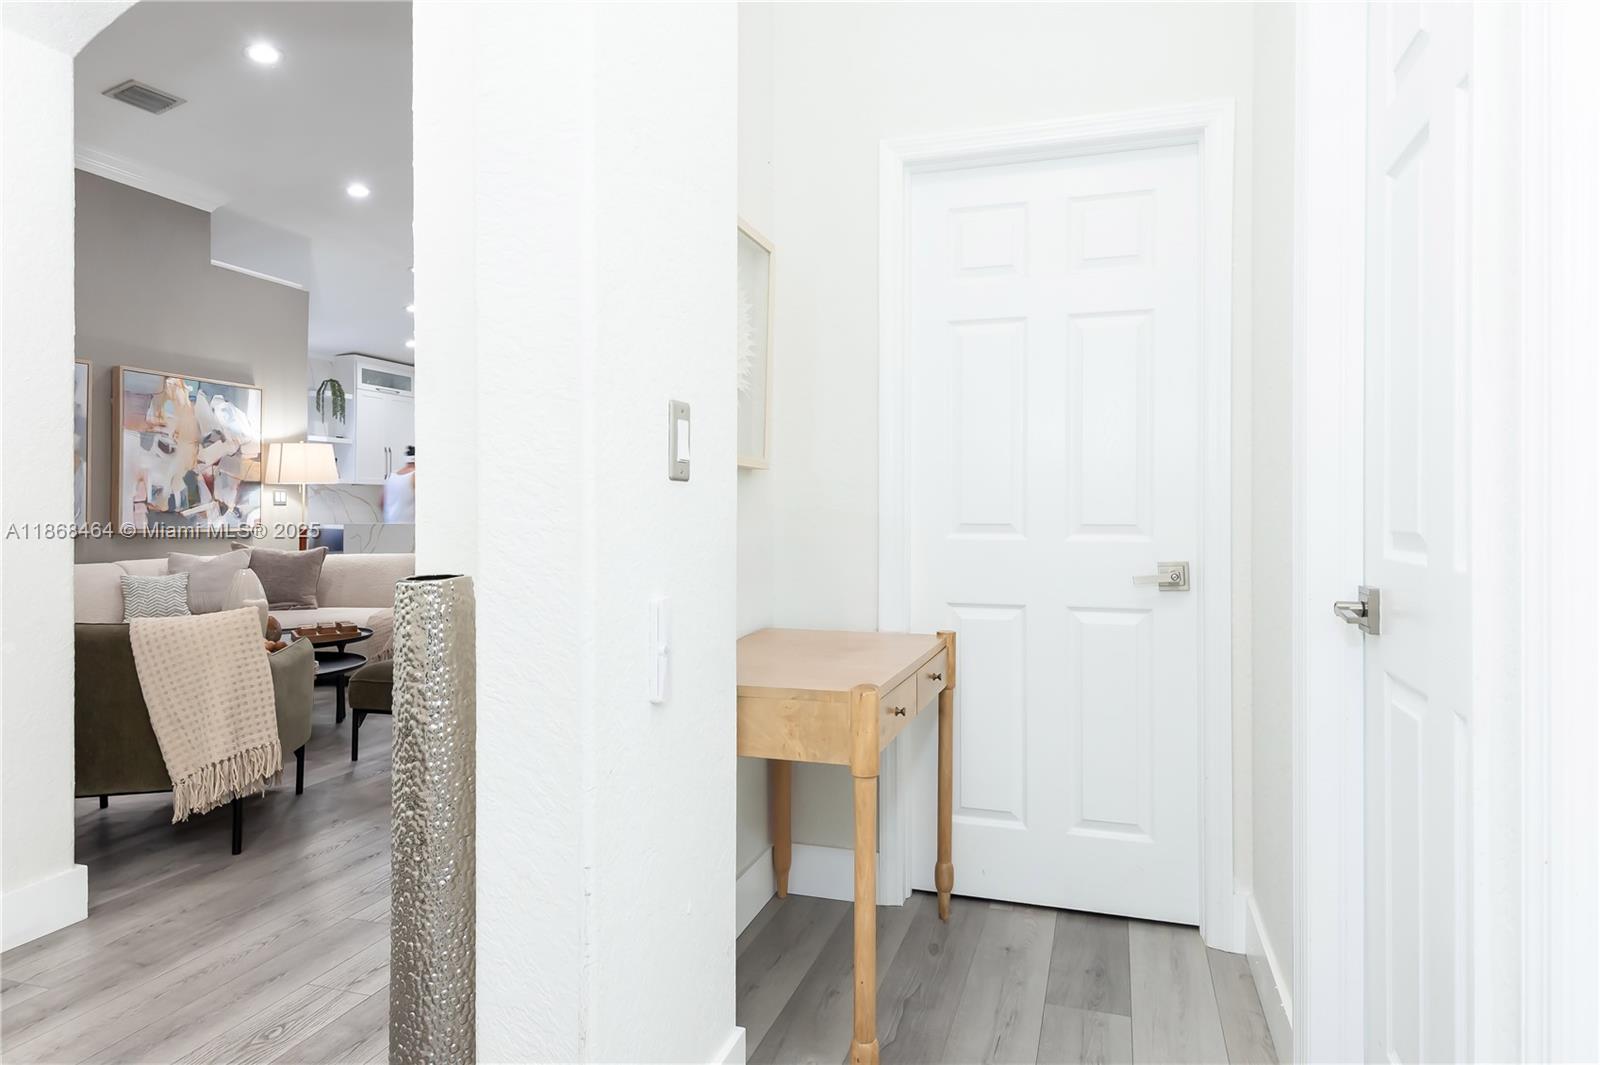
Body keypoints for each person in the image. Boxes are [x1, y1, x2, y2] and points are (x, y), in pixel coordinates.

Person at [383, 445, 416, 523]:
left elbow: (381, 502)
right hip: (408, 527)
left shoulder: (392, 476)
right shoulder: (415, 475)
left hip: (390, 525)